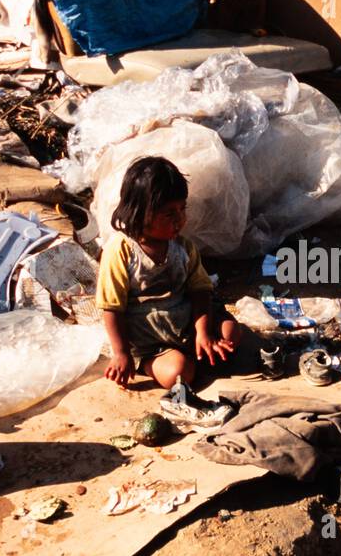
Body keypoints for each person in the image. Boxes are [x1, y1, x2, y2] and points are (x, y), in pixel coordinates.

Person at [96, 156, 243, 393]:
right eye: (169, 213)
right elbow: (111, 308)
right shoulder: (120, 250)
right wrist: (121, 353)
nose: (180, 219)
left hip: (188, 325)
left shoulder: (184, 247)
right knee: (179, 372)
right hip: (150, 341)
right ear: (140, 212)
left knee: (231, 332)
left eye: (182, 208)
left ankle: (200, 347)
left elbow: (200, 290)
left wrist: (203, 333)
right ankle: (151, 364)